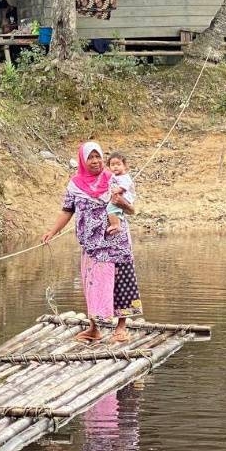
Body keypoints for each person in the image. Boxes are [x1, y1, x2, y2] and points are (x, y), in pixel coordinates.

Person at [42, 142, 142, 343]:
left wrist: (122, 203)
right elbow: (67, 211)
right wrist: (52, 232)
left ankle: (121, 327)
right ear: (83, 160)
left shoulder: (114, 179)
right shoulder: (74, 185)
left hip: (116, 241)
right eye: (91, 157)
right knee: (94, 283)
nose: (95, 161)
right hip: (91, 245)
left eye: (98, 157)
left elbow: (132, 210)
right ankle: (94, 328)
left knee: (121, 280)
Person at [105, 152, 135, 235]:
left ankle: (115, 225)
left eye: (118, 164)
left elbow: (124, 186)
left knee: (110, 208)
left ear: (124, 166)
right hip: (118, 198)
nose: (115, 167)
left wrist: (118, 190)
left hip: (123, 198)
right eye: (112, 165)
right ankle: (116, 225)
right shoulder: (115, 176)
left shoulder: (124, 177)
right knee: (115, 210)